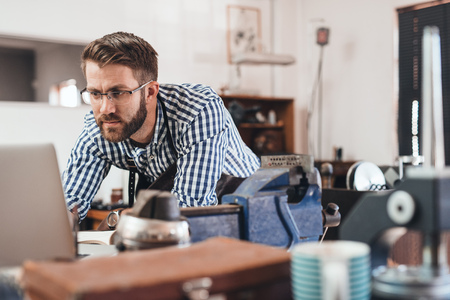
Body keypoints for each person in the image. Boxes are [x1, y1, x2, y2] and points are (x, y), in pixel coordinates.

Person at [63, 32, 260, 221]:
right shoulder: (99, 127)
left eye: (119, 92)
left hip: (251, 203)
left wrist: (121, 218)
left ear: (150, 92)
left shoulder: (197, 109)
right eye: (96, 94)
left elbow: (189, 209)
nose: (106, 108)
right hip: (184, 216)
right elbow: (68, 204)